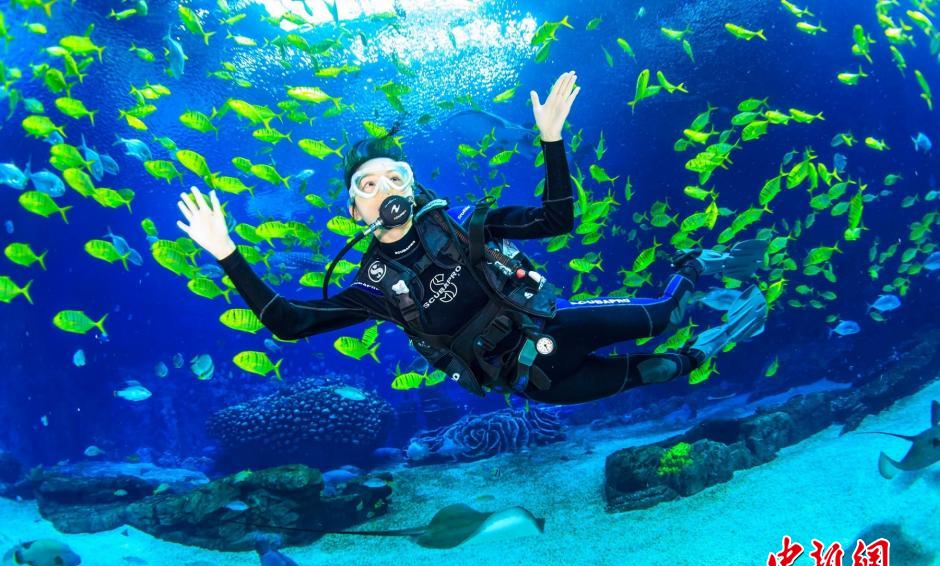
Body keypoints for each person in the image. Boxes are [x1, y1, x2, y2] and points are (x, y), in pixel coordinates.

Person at [177, 71, 769, 405]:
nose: (384, 187)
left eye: (395, 175)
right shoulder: (371, 287)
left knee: (665, 314)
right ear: (355, 210)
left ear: (413, 185)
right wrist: (227, 254)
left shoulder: (464, 224)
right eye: (367, 183)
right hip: (532, 383)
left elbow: (556, 221)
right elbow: (289, 324)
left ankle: (692, 265)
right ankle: (712, 343)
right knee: (663, 368)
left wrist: (552, 142)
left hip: (558, 326)